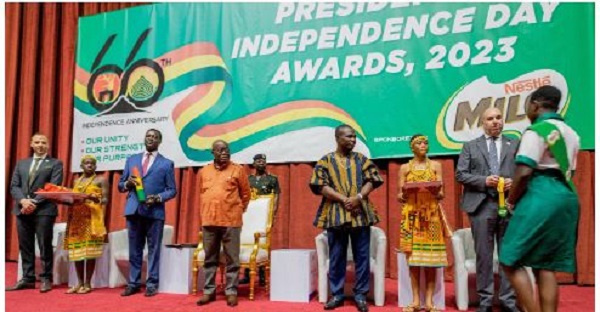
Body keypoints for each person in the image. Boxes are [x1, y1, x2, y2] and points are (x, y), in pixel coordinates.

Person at [500, 86, 580, 312]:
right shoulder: (571, 133)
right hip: (565, 195)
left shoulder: (537, 130)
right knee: (545, 266)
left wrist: (511, 201)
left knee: (509, 259)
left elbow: (524, 171)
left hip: (541, 194)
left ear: (535, 104)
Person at [309, 124, 383, 312]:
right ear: (338, 138)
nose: (353, 140)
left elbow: (373, 179)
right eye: (349, 136)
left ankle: (360, 295)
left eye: (355, 137)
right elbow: (319, 185)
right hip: (335, 213)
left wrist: (358, 198)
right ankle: (337, 295)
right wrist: (343, 199)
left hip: (360, 213)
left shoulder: (362, 159)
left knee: (362, 257)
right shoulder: (325, 161)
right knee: (336, 257)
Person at [456, 107, 519, 312]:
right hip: (481, 207)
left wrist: (514, 183)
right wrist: (485, 180)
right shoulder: (470, 146)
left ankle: (508, 301)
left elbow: (525, 172)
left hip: (509, 206)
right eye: (490, 118)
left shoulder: (515, 144)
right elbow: (461, 175)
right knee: (483, 256)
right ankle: (485, 301)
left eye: (498, 117)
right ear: (482, 123)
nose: (495, 121)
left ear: (503, 120)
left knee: (508, 256)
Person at [118, 129, 177, 297]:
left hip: (154, 211)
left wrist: (158, 198)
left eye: (155, 137)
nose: (151, 139)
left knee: (153, 249)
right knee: (134, 250)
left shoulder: (166, 163)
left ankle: (152, 283)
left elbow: (172, 190)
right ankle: (133, 283)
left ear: (160, 141)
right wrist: (127, 184)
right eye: (148, 136)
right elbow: (120, 185)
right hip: (133, 210)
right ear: (144, 139)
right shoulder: (132, 159)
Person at [196, 140, 251, 307]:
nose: (224, 152)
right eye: (220, 150)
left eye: (226, 149)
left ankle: (231, 291)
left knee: (232, 259)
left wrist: (237, 209)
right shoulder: (204, 171)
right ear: (212, 153)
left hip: (231, 221)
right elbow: (201, 193)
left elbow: (246, 194)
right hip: (209, 220)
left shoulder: (238, 170)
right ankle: (209, 291)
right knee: (210, 258)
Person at [8, 133, 64, 293]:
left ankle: (46, 278)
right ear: (31, 144)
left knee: (44, 245)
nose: (40, 145)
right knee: (25, 245)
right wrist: (23, 201)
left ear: (48, 145)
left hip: (44, 210)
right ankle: (28, 278)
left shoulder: (55, 163)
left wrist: (33, 202)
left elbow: (52, 187)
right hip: (22, 209)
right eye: (37, 142)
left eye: (43, 142)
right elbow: (14, 186)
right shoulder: (22, 164)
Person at [398, 135, 447, 312]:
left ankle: (429, 302)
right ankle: (415, 301)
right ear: (412, 147)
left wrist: (435, 190)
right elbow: (399, 196)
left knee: (431, 261)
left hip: (432, 216)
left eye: (426, 142)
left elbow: (442, 194)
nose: (423, 145)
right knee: (414, 261)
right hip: (412, 217)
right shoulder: (405, 168)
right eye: (419, 143)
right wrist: (406, 192)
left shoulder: (436, 166)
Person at [64, 155, 108, 294]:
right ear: (81, 166)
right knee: (77, 252)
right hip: (76, 220)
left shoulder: (101, 180)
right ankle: (79, 283)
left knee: (89, 253)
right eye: (86, 163)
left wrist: (96, 199)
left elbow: (105, 200)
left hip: (92, 220)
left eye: (92, 163)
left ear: (95, 166)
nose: (89, 165)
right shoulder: (76, 180)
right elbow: (72, 198)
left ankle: (88, 284)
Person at [240, 153, 280, 286]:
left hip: (263, 217)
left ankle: (263, 276)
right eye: (258, 161)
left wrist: (272, 214)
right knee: (248, 241)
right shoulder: (248, 179)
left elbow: (276, 197)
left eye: (263, 161)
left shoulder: (272, 179)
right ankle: (246, 274)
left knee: (263, 242)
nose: (261, 163)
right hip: (249, 216)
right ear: (253, 164)